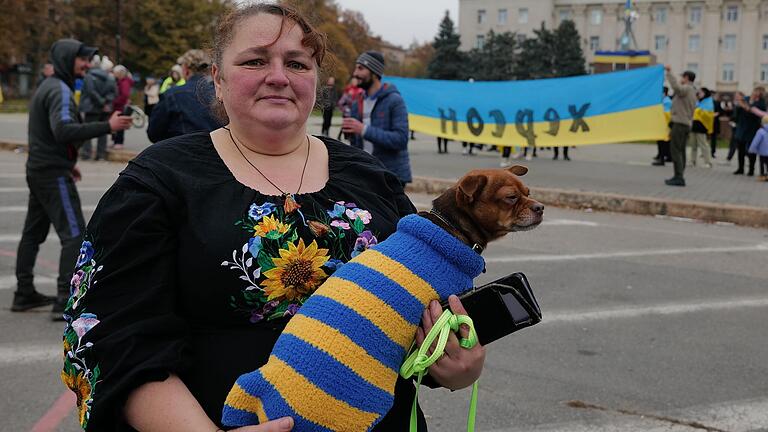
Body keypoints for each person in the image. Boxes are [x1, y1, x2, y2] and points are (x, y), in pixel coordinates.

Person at [59, 5, 484, 431]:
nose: (278, 76)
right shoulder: (159, 180)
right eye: (255, 60)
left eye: (297, 63)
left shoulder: (371, 178)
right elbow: (107, 336)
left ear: (315, 82)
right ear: (217, 78)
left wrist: (454, 365)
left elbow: (419, 311)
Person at [12, 38, 132, 319]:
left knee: (33, 233)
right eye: (83, 59)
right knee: (75, 234)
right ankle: (65, 298)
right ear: (68, 59)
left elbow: (49, 135)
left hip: (43, 169)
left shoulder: (50, 86)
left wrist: (68, 162)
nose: (87, 65)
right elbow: (62, 130)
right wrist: (108, 125)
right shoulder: (60, 90)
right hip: (51, 173)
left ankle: (24, 293)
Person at [341, 50, 412, 185]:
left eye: (361, 68)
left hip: (391, 176)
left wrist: (363, 130)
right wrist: (350, 133)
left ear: (374, 73)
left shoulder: (395, 101)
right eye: (356, 68)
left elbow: (401, 140)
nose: (355, 73)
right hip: (365, 174)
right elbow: (357, 145)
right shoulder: (357, 102)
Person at [146, 49, 223, 143]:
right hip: (219, 153)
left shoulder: (172, 95)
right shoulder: (221, 93)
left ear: (186, 69)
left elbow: (154, 133)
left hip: (182, 152)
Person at [664, 66, 698, 187]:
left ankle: (679, 177)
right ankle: (679, 175)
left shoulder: (687, 89)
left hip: (680, 123)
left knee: (675, 150)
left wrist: (669, 73)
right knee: (681, 150)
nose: (680, 79)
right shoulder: (692, 91)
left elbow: (677, 88)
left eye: (682, 77)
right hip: (686, 123)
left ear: (687, 78)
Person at [79, 55, 117, 161]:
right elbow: (114, 93)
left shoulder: (89, 76)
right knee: (103, 132)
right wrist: (105, 102)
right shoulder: (111, 77)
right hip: (105, 108)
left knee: (87, 131)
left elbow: (91, 92)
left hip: (91, 108)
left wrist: (100, 102)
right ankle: (100, 155)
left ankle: (86, 154)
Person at [734, 87, 767, 176]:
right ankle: (740, 168)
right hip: (742, 126)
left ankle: (751, 169)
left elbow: (753, 111)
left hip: (752, 128)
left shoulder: (761, 103)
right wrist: (739, 105)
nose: (755, 93)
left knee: (751, 150)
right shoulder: (746, 99)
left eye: (758, 92)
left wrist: (743, 105)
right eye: (755, 91)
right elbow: (738, 109)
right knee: (740, 149)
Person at [688, 87, 714, 168]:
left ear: (705, 93)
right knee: (693, 145)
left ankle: (708, 162)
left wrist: (699, 111)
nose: (699, 94)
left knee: (703, 144)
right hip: (694, 124)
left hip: (702, 125)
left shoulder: (708, 102)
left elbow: (708, 115)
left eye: (700, 92)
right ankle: (692, 161)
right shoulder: (698, 102)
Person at [110, 65, 133, 149]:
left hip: (120, 107)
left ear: (120, 73)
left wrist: (115, 102)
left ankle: (119, 142)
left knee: (120, 124)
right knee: (118, 124)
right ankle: (116, 141)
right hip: (119, 106)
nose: (114, 74)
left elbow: (124, 95)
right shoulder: (121, 81)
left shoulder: (124, 82)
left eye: (115, 73)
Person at [652, 86, 673, 166]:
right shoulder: (663, 101)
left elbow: (666, 114)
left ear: (664, 93)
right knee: (662, 142)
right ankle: (663, 156)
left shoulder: (667, 102)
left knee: (663, 142)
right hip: (661, 124)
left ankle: (662, 158)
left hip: (664, 125)